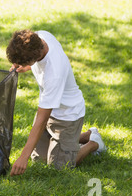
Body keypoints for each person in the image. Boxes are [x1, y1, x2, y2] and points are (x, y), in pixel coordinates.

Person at [6, 29, 106, 176]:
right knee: (39, 160)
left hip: (68, 116)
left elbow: (41, 120)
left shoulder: (54, 74)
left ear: (35, 57)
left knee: (59, 166)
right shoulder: (40, 37)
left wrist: (23, 157)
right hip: (51, 110)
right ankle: (82, 136)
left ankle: (93, 142)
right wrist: (27, 66)